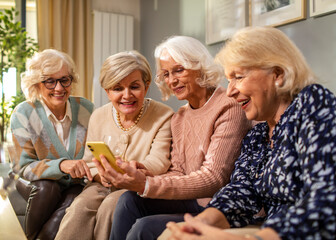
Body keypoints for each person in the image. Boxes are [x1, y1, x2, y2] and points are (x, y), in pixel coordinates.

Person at [164, 26, 336, 240]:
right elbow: (242, 191)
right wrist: (200, 223)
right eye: (229, 80)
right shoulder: (258, 134)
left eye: (238, 77)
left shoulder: (313, 104)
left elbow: (326, 199)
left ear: (277, 74)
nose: (229, 91)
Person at [99, 36, 252, 240]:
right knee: (128, 199)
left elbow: (214, 178)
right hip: (191, 200)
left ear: (199, 66)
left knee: (144, 227)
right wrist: (144, 177)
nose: (172, 80)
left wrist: (146, 184)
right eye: (166, 74)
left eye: (179, 70)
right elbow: (178, 170)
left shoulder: (228, 106)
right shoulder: (180, 117)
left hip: (216, 206)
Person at [55, 50, 174, 240]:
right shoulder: (99, 116)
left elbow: (159, 161)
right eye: (118, 89)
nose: (127, 95)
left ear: (146, 85)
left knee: (111, 205)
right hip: (101, 184)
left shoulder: (164, 115)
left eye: (134, 86)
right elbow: (90, 161)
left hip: (135, 187)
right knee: (79, 208)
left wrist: (134, 171)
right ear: (107, 91)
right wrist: (100, 175)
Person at [10, 49, 95, 240]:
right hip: (35, 181)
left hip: (75, 182)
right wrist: (62, 165)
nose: (59, 88)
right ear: (36, 84)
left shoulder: (86, 109)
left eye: (65, 80)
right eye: (50, 81)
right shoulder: (23, 113)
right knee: (49, 189)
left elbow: (94, 153)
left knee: (75, 198)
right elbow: (23, 167)